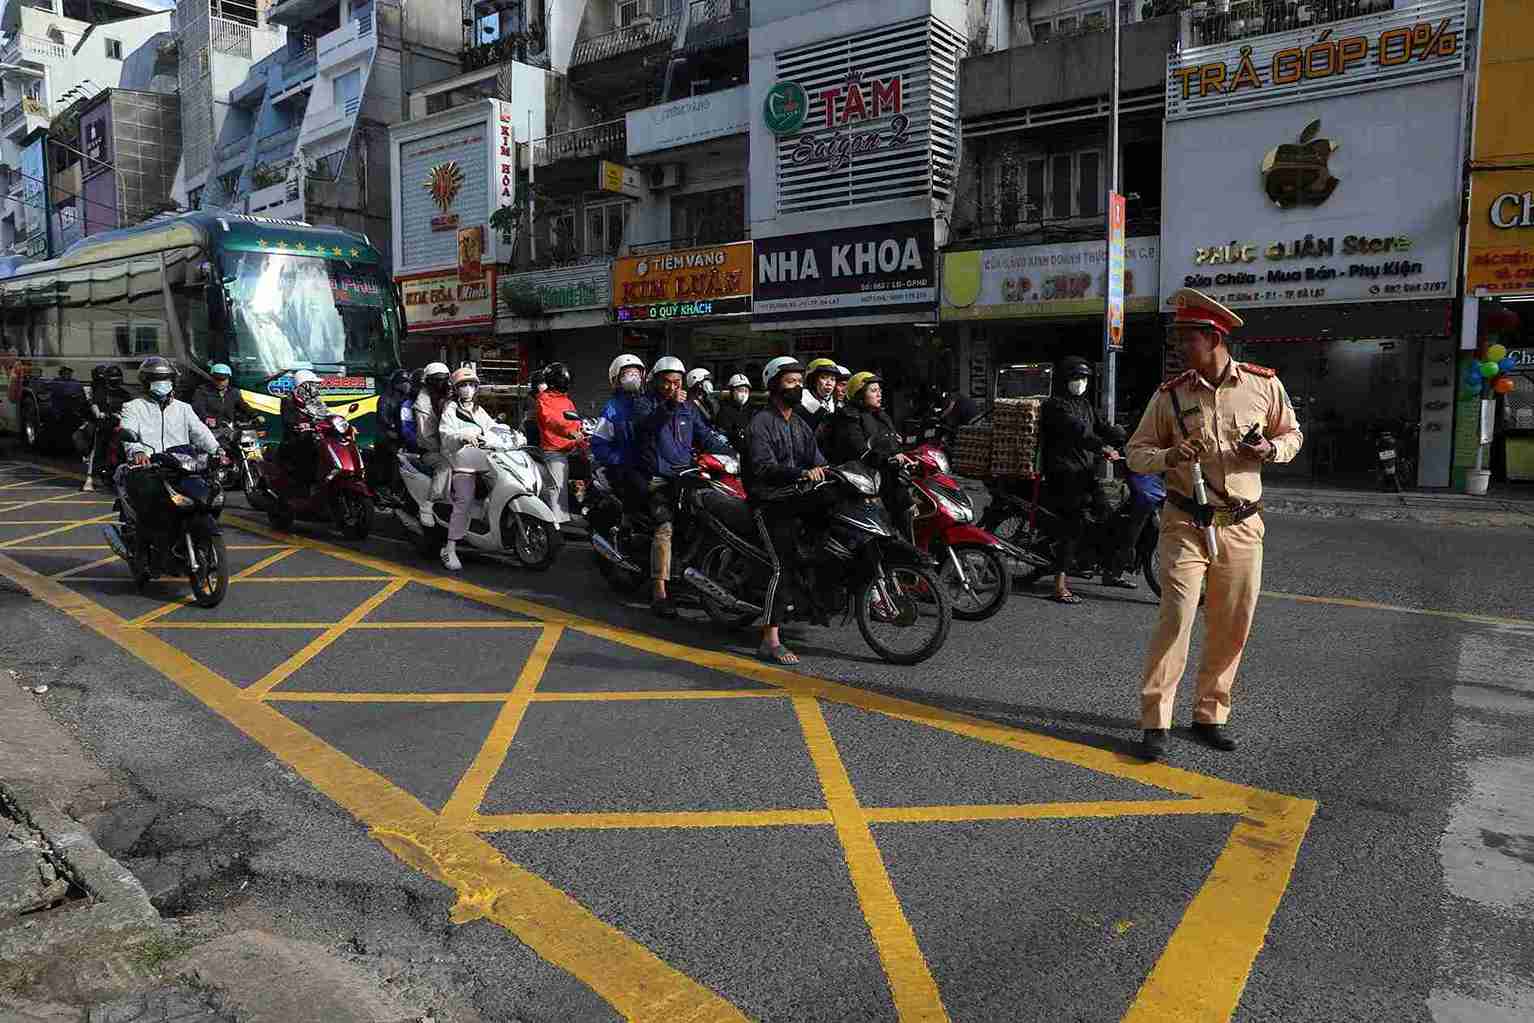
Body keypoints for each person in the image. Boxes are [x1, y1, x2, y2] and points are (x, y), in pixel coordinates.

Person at [1126, 288, 1303, 761]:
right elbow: (1136, 453)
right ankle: (1156, 720)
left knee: (1232, 622)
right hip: (1185, 522)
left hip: (1242, 524)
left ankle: (1210, 714)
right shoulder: (1170, 395)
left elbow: (1292, 434)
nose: (1178, 346)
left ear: (1214, 337)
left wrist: (1269, 450)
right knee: (1177, 617)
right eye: (1177, 337)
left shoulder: (1263, 385)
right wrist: (1170, 455)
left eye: (1187, 337)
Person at [747, 356, 828, 665]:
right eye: (790, 382)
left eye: (799, 382)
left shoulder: (799, 424)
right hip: (769, 501)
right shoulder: (761, 422)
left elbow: (818, 459)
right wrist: (800, 474)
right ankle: (770, 640)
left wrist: (830, 470)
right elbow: (763, 467)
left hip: (796, 497)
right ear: (774, 385)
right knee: (783, 565)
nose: (797, 387)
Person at [1035, 356, 1126, 605]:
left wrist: (1125, 436)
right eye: (1076, 377)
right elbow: (1078, 431)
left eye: (1084, 378)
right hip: (1063, 473)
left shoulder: (1084, 404)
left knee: (1106, 512)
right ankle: (1059, 584)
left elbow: (1101, 426)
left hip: (1083, 472)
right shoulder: (1055, 406)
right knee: (1073, 523)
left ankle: (1106, 569)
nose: (1080, 382)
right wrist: (1102, 448)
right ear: (1065, 379)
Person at [114, 358, 221, 522]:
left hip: (182, 466)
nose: (162, 383)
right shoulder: (133, 407)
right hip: (149, 468)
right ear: (146, 382)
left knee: (206, 495)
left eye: (166, 379)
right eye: (156, 380)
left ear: (173, 382)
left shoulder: (183, 408)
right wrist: (138, 452)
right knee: (150, 511)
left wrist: (217, 450)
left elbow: (200, 432)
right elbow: (129, 432)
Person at [433, 366, 513, 571]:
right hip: (462, 462)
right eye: (463, 385)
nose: (467, 389)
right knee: (465, 501)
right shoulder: (451, 409)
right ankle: (450, 548)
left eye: (471, 385)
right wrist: (462, 436)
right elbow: (446, 434)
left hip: (484, 460)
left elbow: (492, 428)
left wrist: (509, 433)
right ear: (456, 389)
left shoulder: (478, 410)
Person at [826, 370, 914, 534]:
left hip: (889, 474)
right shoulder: (849, 417)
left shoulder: (881, 415)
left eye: (879, 390)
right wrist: (887, 458)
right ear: (859, 394)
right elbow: (860, 450)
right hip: (864, 481)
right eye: (873, 391)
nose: (879, 394)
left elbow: (892, 442)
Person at [590, 354, 651, 503]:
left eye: (636, 373)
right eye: (627, 374)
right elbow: (599, 443)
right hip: (626, 469)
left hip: (650, 466)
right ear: (616, 379)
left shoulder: (649, 402)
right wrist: (619, 460)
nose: (633, 377)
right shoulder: (612, 408)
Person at [535, 362, 584, 525]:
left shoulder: (566, 400)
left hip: (573, 448)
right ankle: (557, 522)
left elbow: (575, 420)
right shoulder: (544, 399)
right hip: (554, 450)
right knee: (557, 487)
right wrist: (569, 432)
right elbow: (551, 420)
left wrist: (581, 431)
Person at [81, 364, 130, 492]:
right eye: (112, 378)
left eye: (117, 378)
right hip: (104, 426)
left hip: (119, 427)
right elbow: (95, 405)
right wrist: (100, 414)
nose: (115, 381)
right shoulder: (101, 392)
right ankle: (89, 478)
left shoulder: (124, 394)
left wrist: (123, 416)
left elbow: (129, 408)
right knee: (96, 449)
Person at [413, 362, 452, 523]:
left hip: (453, 445)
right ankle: (429, 505)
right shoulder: (422, 405)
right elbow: (426, 437)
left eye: (444, 379)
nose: (441, 383)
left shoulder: (449, 397)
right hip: (431, 451)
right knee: (445, 466)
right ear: (428, 381)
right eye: (437, 380)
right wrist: (446, 448)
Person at [278, 369, 330, 487]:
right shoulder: (288, 400)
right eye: (313, 384)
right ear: (305, 385)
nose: (317, 386)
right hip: (298, 439)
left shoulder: (315, 400)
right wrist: (305, 425)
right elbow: (290, 422)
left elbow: (327, 414)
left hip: (318, 435)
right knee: (308, 454)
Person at [191, 363, 254, 429]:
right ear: (212, 378)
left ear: (228, 379)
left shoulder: (234, 392)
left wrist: (255, 414)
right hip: (209, 429)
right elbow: (198, 408)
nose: (220, 382)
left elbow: (243, 406)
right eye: (217, 379)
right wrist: (206, 417)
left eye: (223, 379)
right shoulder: (202, 391)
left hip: (229, 427)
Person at [712, 373, 753, 454]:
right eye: (740, 390)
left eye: (746, 390)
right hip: (732, 453)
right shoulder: (724, 411)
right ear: (731, 391)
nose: (743, 394)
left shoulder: (753, 411)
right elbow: (722, 435)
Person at [800, 358, 839, 426]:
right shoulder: (801, 399)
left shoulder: (835, 403)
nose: (829, 383)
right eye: (823, 377)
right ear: (813, 381)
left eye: (832, 379)